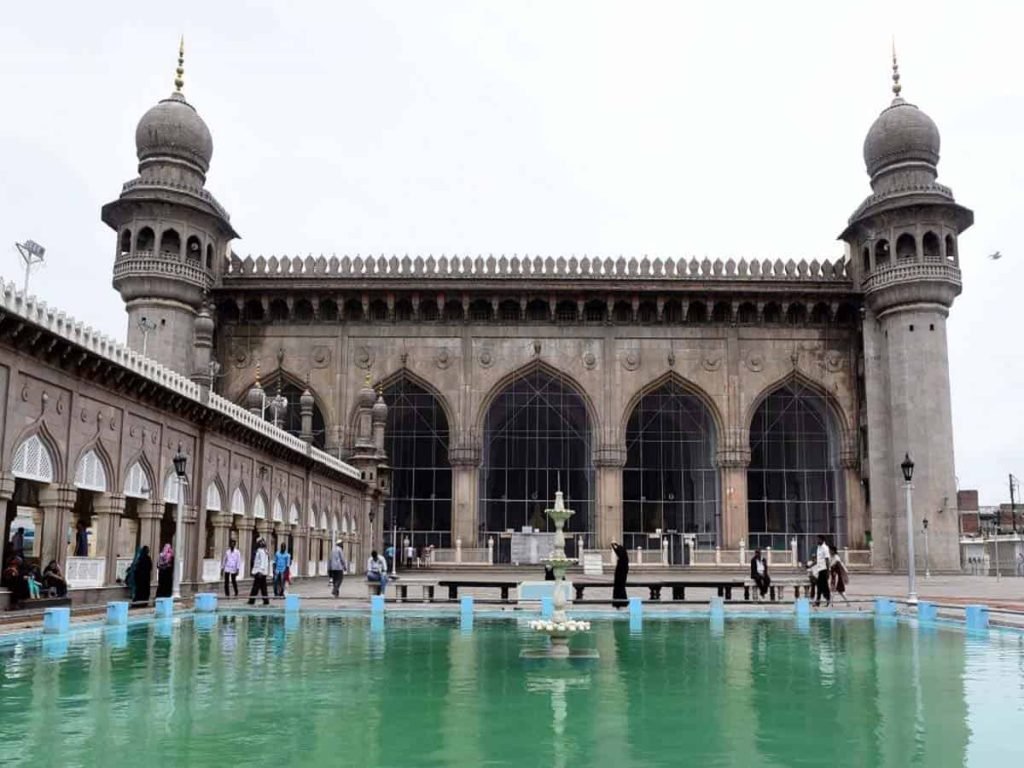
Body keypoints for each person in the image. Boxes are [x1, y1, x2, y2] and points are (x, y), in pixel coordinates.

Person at [248, 538, 270, 605]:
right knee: (263, 587)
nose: (261, 543)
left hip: (259, 572)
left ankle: (251, 600)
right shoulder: (263, 551)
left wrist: (260, 571)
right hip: (262, 572)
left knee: (256, 587)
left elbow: (263, 562)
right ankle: (266, 600)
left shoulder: (261, 551)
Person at [813, 536, 831, 607]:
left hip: (824, 569)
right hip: (819, 569)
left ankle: (827, 600)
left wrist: (828, 571)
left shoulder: (825, 548)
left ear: (822, 540)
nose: (817, 540)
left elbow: (827, 560)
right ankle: (819, 601)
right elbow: (818, 560)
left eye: (819, 539)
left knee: (824, 586)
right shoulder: (818, 548)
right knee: (820, 586)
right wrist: (810, 566)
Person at [611, 540, 629, 609]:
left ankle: (619, 602)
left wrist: (614, 545)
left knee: (619, 589)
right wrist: (615, 545)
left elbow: (617, 551)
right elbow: (618, 551)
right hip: (621, 577)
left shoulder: (622, 560)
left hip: (620, 577)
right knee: (621, 588)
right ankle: (621, 602)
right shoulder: (624, 558)